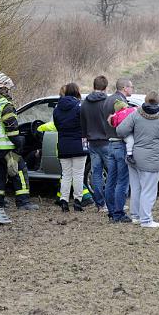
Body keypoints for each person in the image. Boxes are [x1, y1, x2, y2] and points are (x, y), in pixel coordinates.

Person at [0, 72, 38, 210]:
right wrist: (19, 143)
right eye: (7, 89)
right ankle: (23, 202)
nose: (8, 91)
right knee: (20, 171)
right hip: (6, 147)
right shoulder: (4, 105)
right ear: (3, 88)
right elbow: (11, 127)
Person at [116, 91, 159, 228]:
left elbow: (120, 131)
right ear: (158, 102)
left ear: (146, 100)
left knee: (136, 188)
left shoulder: (135, 114)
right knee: (149, 190)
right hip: (151, 159)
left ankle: (136, 216)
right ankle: (146, 220)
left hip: (134, 157)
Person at [52, 82, 88, 212]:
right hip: (79, 145)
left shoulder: (57, 109)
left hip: (63, 145)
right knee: (78, 175)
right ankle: (78, 201)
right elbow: (85, 125)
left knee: (66, 175)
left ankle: (64, 201)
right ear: (77, 92)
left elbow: (57, 126)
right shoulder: (80, 107)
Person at [103, 78, 133, 223]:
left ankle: (111, 211)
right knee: (122, 181)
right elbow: (125, 126)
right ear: (125, 88)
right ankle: (118, 213)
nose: (132, 89)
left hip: (109, 144)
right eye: (131, 87)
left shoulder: (107, 100)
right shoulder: (120, 103)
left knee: (111, 180)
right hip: (120, 144)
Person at [80, 75, 111, 212]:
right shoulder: (108, 102)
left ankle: (100, 205)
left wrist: (85, 136)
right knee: (113, 173)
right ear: (105, 87)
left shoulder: (85, 103)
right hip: (107, 141)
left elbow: (82, 122)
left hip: (92, 142)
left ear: (94, 86)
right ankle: (114, 203)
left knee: (96, 174)